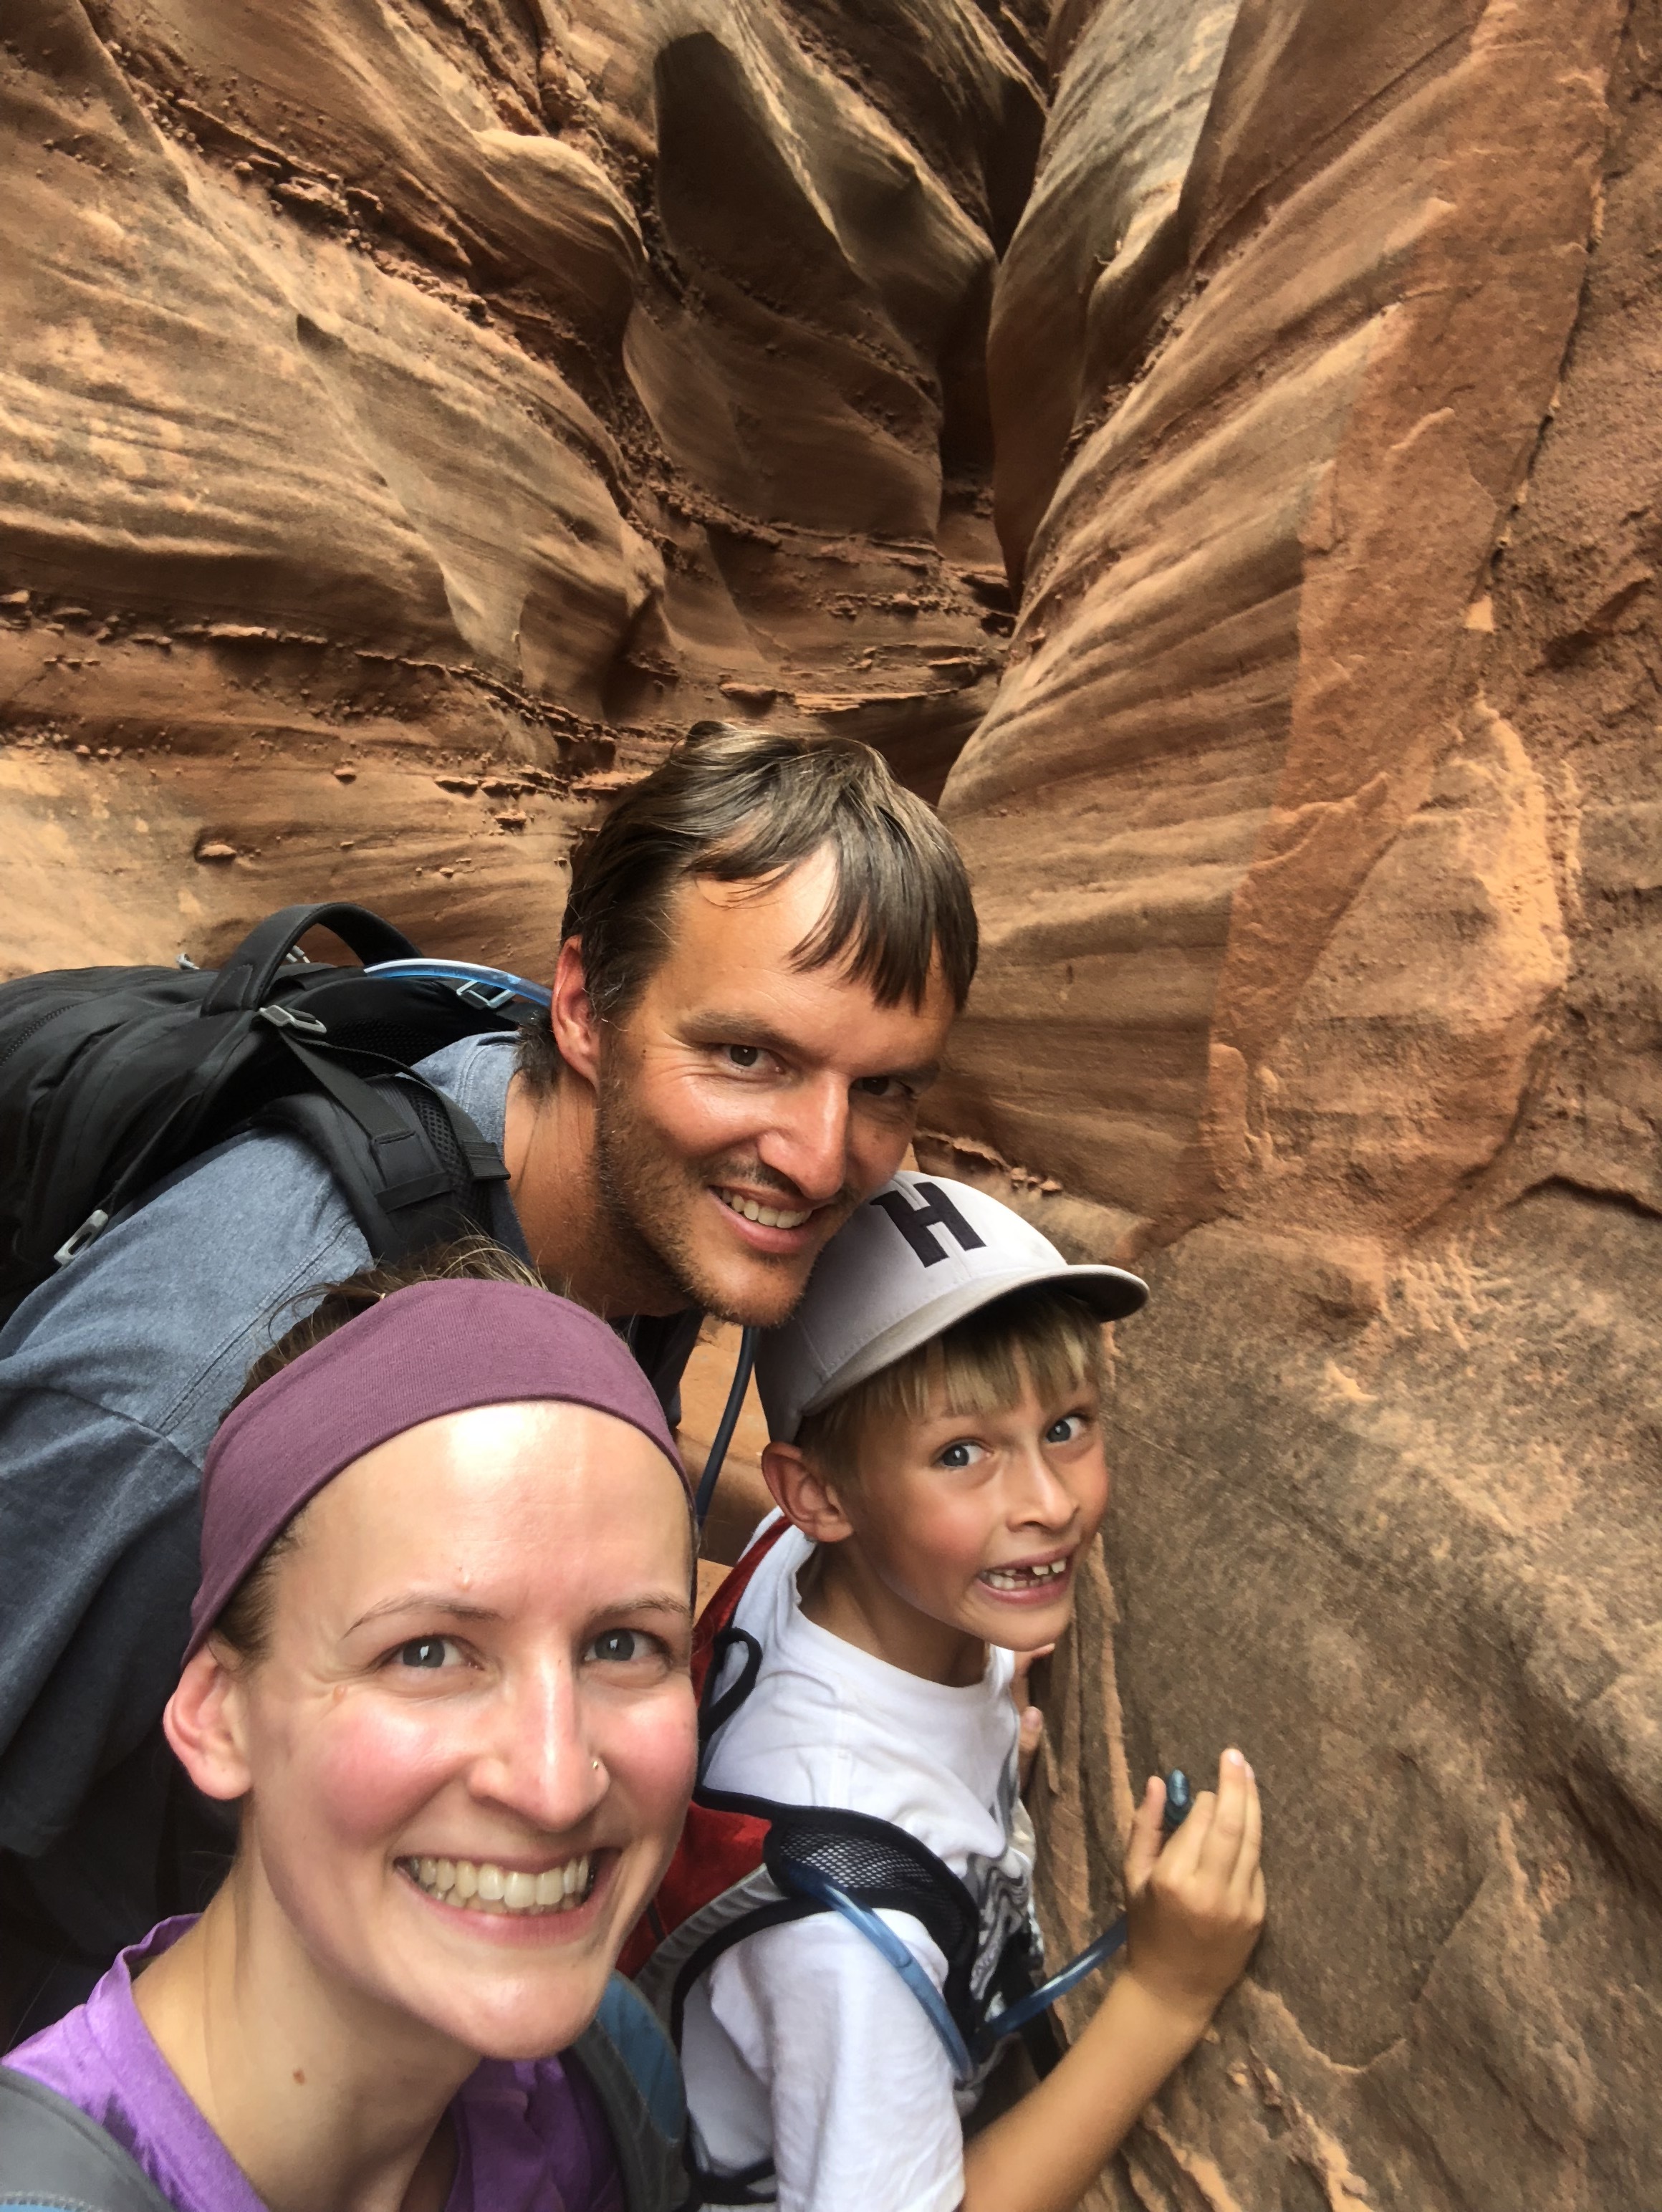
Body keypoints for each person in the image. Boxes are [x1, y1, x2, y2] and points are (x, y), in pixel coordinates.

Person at [0, 725, 976, 2029]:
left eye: (884, 1089)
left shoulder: (612, 1197)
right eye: (750, 1055)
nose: (818, 1158)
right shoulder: (198, 1390)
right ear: (581, 1007)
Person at [2, 1254, 701, 2212]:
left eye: (624, 1643)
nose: (556, 1782)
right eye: (426, 1653)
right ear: (218, 1715)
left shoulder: (610, 2074)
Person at [673, 1173, 1267, 2212]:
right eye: (962, 1452)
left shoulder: (809, 1564)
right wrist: (1165, 1996)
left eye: (1069, 1425)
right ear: (818, 1493)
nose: (1049, 1503)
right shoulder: (847, 1943)